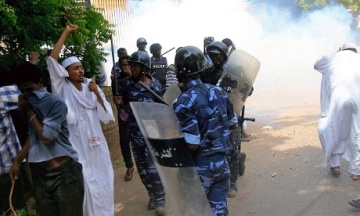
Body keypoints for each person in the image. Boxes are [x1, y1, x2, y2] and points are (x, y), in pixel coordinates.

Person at [46, 24, 115, 216]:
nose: (81, 71)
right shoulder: (61, 88)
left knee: (104, 180)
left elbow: (107, 117)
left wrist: (97, 94)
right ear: (66, 72)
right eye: (76, 68)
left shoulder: (91, 87)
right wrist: (66, 32)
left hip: (98, 146)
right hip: (78, 148)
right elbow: (52, 60)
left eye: (81, 67)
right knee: (85, 185)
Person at [9, 62, 84, 216]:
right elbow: (34, 135)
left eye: (30, 90)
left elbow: (46, 138)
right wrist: (18, 161)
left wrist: (29, 111)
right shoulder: (30, 102)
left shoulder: (53, 102)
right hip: (41, 174)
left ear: (41, 83)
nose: (27, 94)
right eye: (23, 91)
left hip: (64, 174)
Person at [173, 46, 238, 216]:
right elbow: (232, 124)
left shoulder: (183, 101)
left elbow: (192, 144)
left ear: (180, 72)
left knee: (196, 212)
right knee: (219, 210)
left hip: (200, 170)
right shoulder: (219, 91)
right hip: (222, 164)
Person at [114, 51, 166, 216]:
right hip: (135, 134)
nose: (131, 68)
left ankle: (160, 200)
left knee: (152, 169)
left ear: (143, 68)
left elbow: (163, 109)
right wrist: (120, 104)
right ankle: (151, 195)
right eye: (130, 65)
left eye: (134, 65)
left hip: (152, 135)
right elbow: (124, 108)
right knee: (142, 170)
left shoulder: (155, 85)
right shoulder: (127, 84)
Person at [201, 41, 246, 197]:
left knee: (232, 149)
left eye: (217, 55)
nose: (214, 58)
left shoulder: (234, 71)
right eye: (211, 55)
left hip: (231, 115)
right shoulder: (207, 73)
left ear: (224, 55)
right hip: (213, 117)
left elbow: (247, 88)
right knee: (216, 149)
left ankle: (232, 183)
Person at [314, 42, 360, 180]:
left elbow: (316, 65)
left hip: (339, 98)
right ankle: (356, 171)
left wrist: (335, 53)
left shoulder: (331, 58)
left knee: (330, 130)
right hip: (358, 99)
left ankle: (335, 165)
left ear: (342, 49)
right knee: (356, 132)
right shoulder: (358, 59)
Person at [0, 71, 27, 215]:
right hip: (7, 169)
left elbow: (28, 97)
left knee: (14, 210)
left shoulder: (3, 95)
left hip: (7, 170)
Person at [112, 54, 135, 181]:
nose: (126, 67)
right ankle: (129, 166)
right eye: (123, 65)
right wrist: (118, 102)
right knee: (124, 141)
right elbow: (118, 97)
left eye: (128, 64)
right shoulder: (117, 79)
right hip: (124, 114)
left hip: (137, 114)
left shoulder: (137, 78)